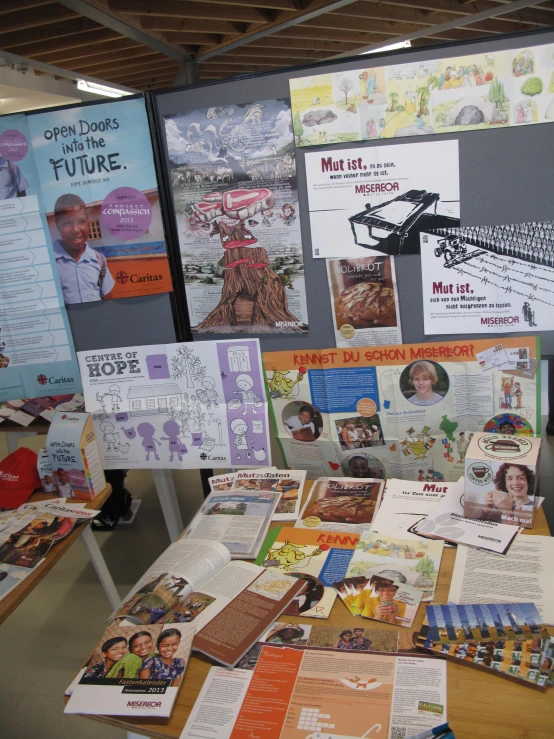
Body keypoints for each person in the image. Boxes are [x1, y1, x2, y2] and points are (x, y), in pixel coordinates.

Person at [52, 193, 115, 304]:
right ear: (57, 225)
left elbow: (107, 296)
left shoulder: (99, 259)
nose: (76, 229)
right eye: (67, 223)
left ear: (88, 222)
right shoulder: (49, 263)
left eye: (81, 221)